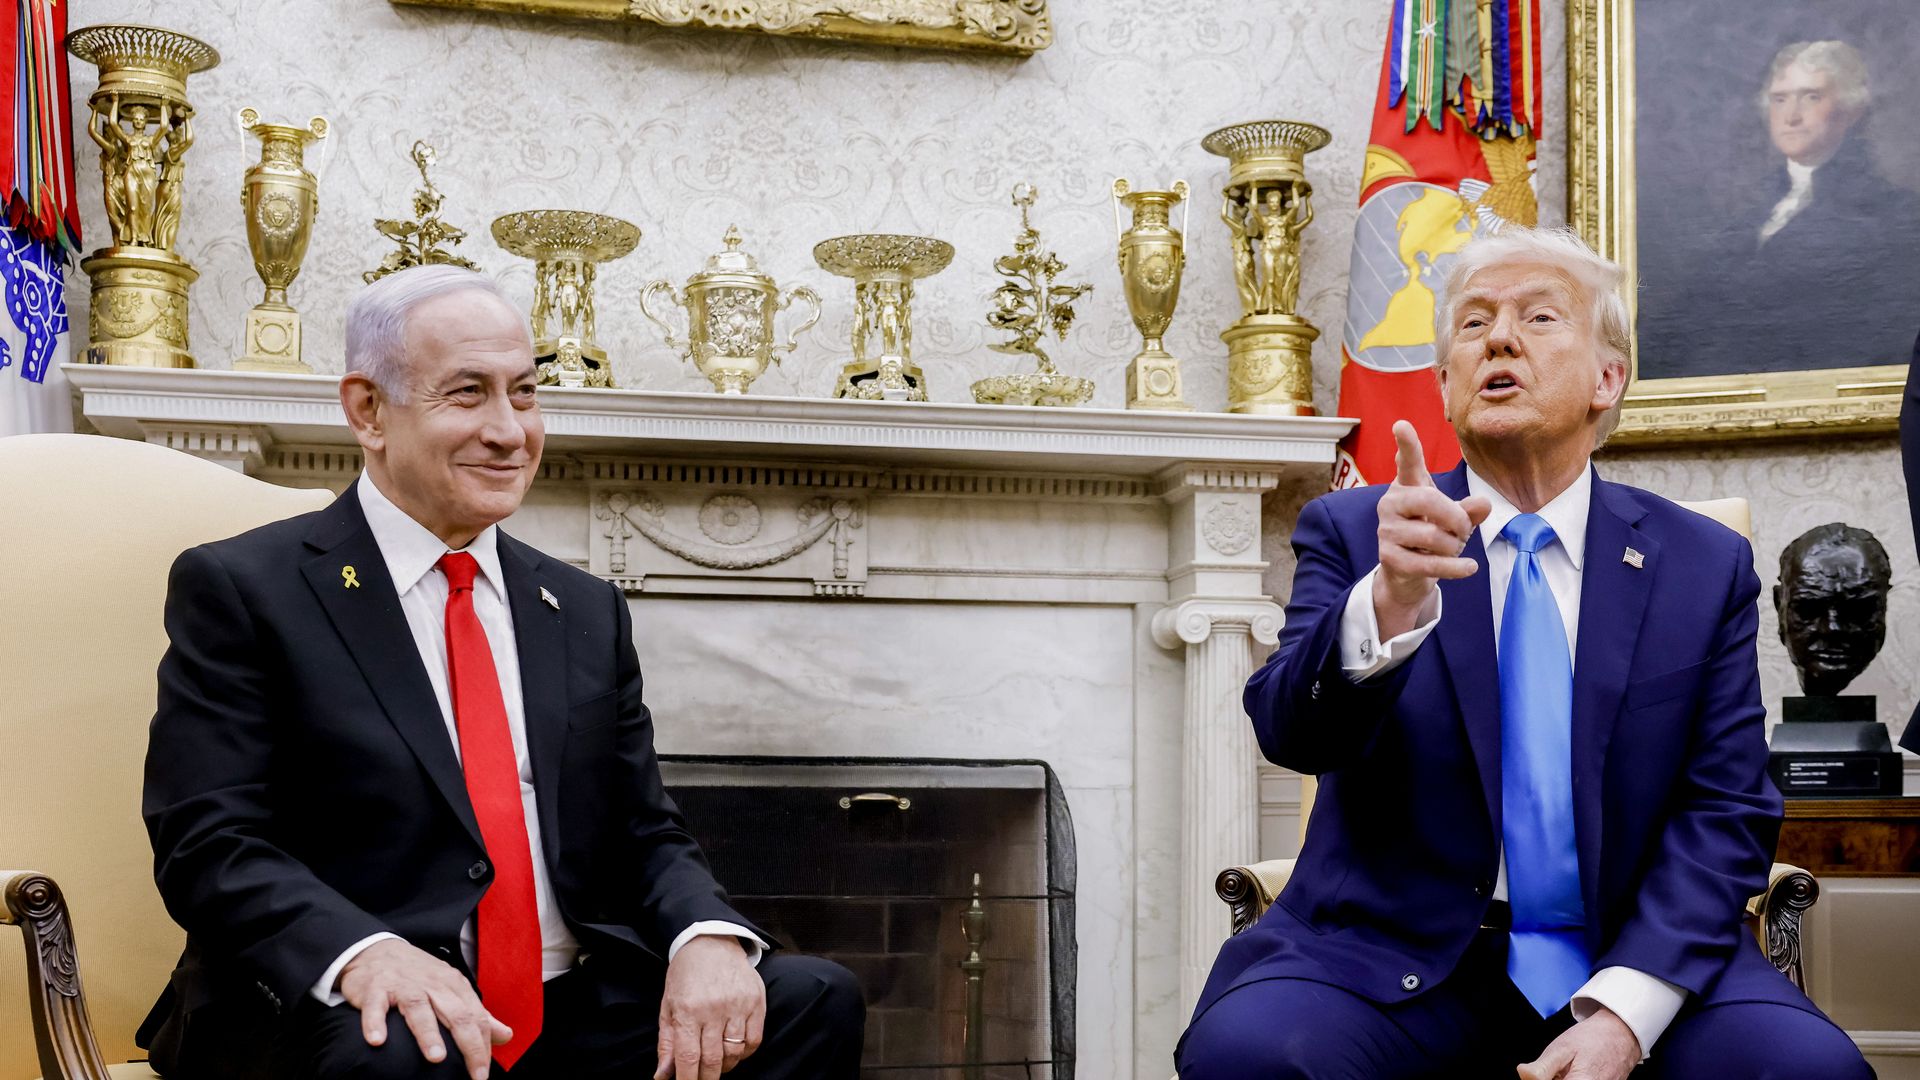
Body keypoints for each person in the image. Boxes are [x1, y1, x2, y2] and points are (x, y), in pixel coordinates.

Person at [137, 265, 864, 1080]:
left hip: (568, 1004)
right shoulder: (247, 589)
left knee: (811, 1000)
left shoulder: (583, 606)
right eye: (468, 393)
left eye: (523, 393)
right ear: (368, 410)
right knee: (411, 1050)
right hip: (346, 1004)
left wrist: (706, 938)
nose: (510, 432)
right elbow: (210, 841)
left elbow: (642, 828)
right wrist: (367, 952)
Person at [1176, 227, 1870, 1079]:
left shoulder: (1700, 564)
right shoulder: (1359, 533)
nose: (1499, 337)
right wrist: (1387, 603)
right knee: (1252, 1058)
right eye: (1473, 326)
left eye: (1539, 317)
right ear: (1444, 386)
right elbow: (1290, 734)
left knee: (1805, 1072)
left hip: (1636, 947)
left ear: (1607, 380)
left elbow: (1727, 810)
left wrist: (1625, 1012)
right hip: (1387, 956)